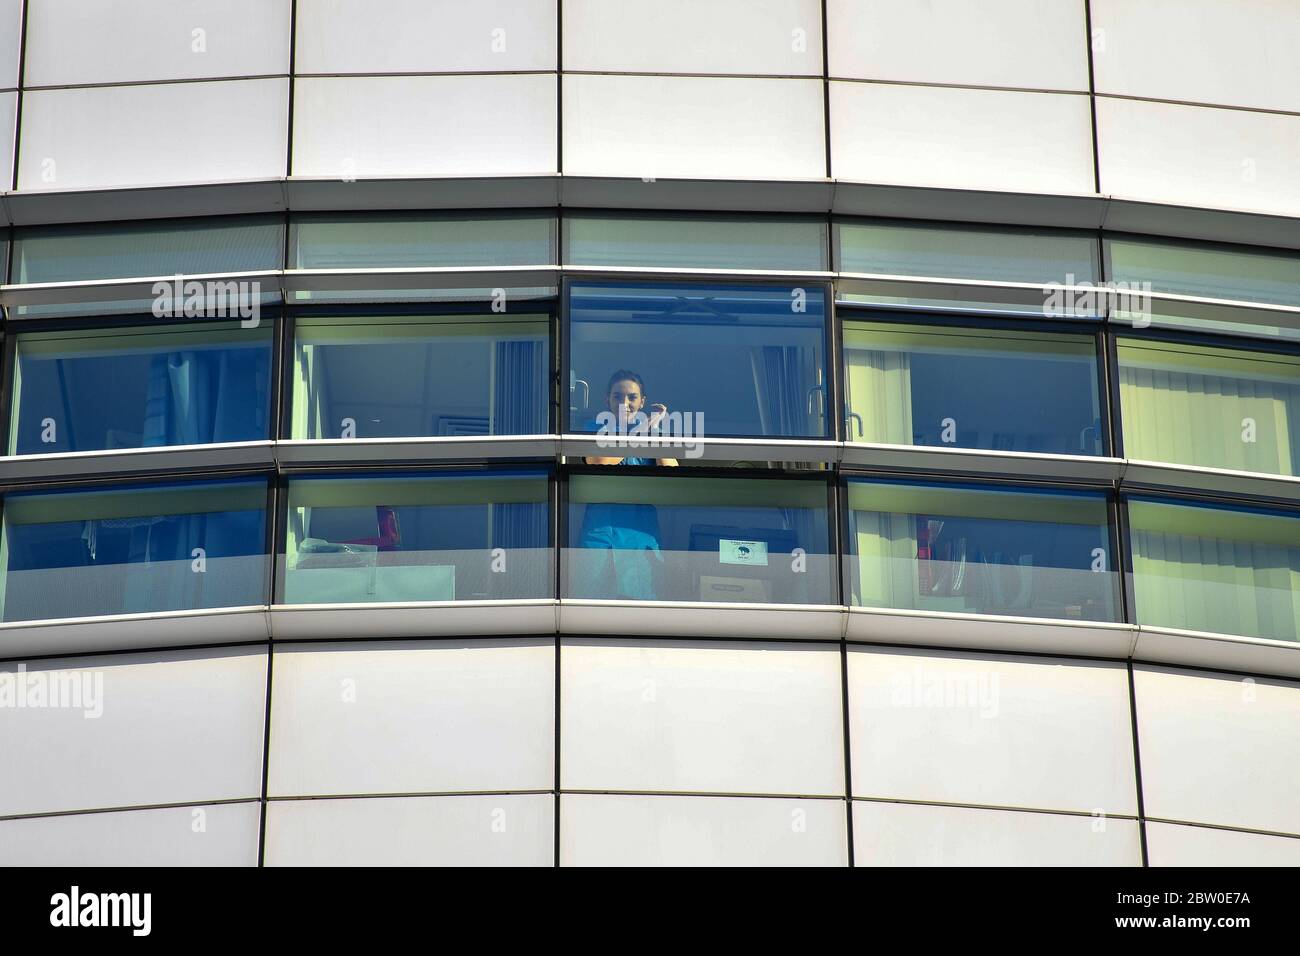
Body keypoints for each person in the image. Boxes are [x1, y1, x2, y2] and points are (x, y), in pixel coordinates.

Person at [576, 370, 676, 599]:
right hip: (602, 535)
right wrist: (642, 431)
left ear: (642, 401)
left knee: (639, 614)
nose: (625, 403)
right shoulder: (594, 428)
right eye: (617, 397)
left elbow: (672, 473)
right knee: (590, 609)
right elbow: (601, 462)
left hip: (640, 537)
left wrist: (654, 432)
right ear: (607, 400)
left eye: (632, 397)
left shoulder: (653, 434)